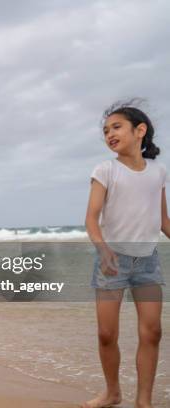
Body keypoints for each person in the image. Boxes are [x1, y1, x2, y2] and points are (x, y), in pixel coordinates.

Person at [84, 101, 166, 408]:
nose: (109, 134)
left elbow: (163, 220)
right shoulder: (105, 170)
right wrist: (103, 250)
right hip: (112, 260)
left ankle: (143, 400)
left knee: (153, 331)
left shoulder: (158, 172)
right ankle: (112, 392)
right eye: (106, 131)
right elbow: (91, 218)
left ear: (139, 130)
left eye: (116, 127)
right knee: (107, 334)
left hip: (147, 261)